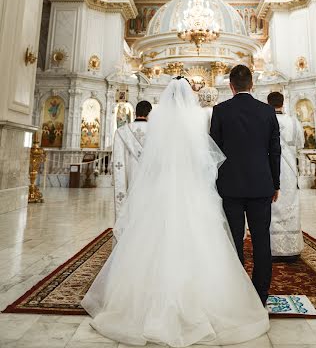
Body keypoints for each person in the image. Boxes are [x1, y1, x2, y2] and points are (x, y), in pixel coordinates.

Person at [82, 78, 269, 346]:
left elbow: (153, 160)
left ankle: (144, 305)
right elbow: (206, 158)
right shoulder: (197, 121)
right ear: (190, 99)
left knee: (154, 240)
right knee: (201, 241)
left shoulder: (158, 122)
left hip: (162, 190)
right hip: (192, 190)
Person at [210, 65, 281, 306]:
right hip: (262, 185)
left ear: (231, 86)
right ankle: (260, 294)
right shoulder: (267, 112)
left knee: (234, 239)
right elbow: (275, 151)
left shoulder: (220, 111)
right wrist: (276, 183)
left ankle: (237, 291)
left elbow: (214, 152)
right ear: (252, 85)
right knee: (261, 240)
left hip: (229, 186)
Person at [267, 92, 304, 260]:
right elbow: (300, 143)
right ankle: (291, 250)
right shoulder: (294, 122)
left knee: (273, 205)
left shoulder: (266, 121)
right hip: (289, 170)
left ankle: (274, 249)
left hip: (270, 168)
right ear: (283, 103)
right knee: (290, 205)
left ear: (268, 103)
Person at [112, 100, 152, 217]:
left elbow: (117, 160)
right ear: (149, 113)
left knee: (132, 202)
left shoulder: (121, 132)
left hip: (130, 174)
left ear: (135, 112)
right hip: (149, 174)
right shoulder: (155, 131)